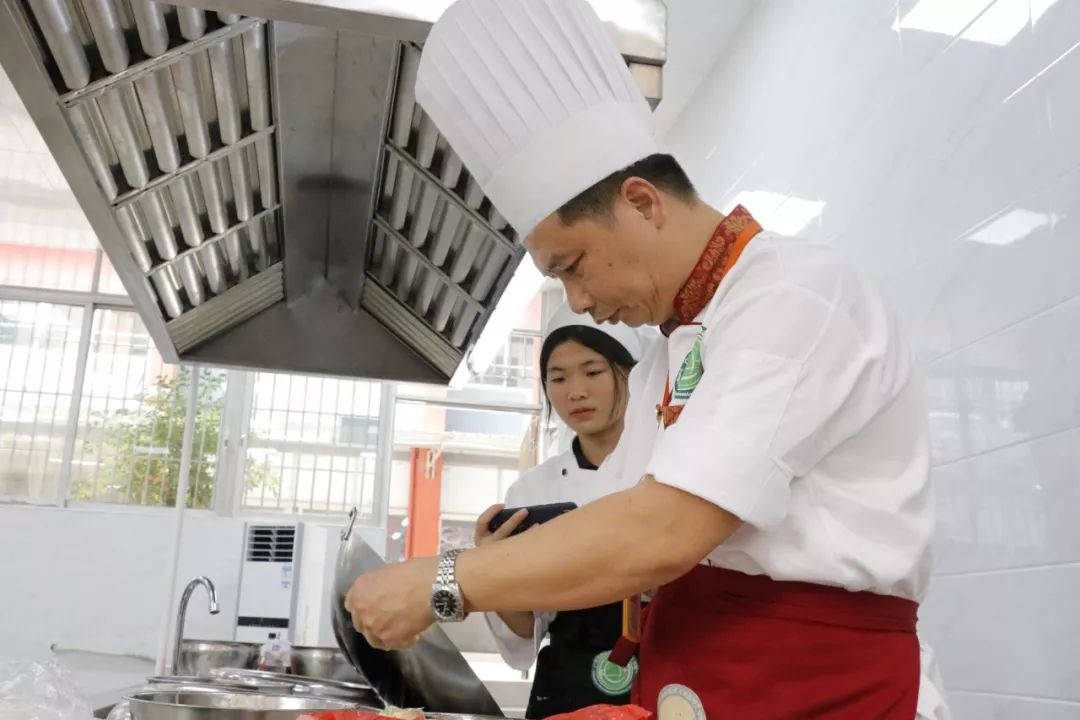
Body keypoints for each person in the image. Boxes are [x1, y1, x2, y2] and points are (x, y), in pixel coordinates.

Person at [344, 1, 952, 718]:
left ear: (641, 203)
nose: (579, 300)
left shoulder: (795, 295)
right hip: (706, 684)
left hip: (824, 691)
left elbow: (662, 532)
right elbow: (617, 526)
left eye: (573, 266)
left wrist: (443, 581)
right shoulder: (674, 347)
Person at [477, 304, 643, 718]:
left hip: (666, 675)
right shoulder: (532, 490)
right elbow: (524, 631)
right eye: (558, 378)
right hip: (567, 688)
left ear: (633, 374)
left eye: (593, 372)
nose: (576, 392)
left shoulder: (671, 470)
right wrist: (490, 568)